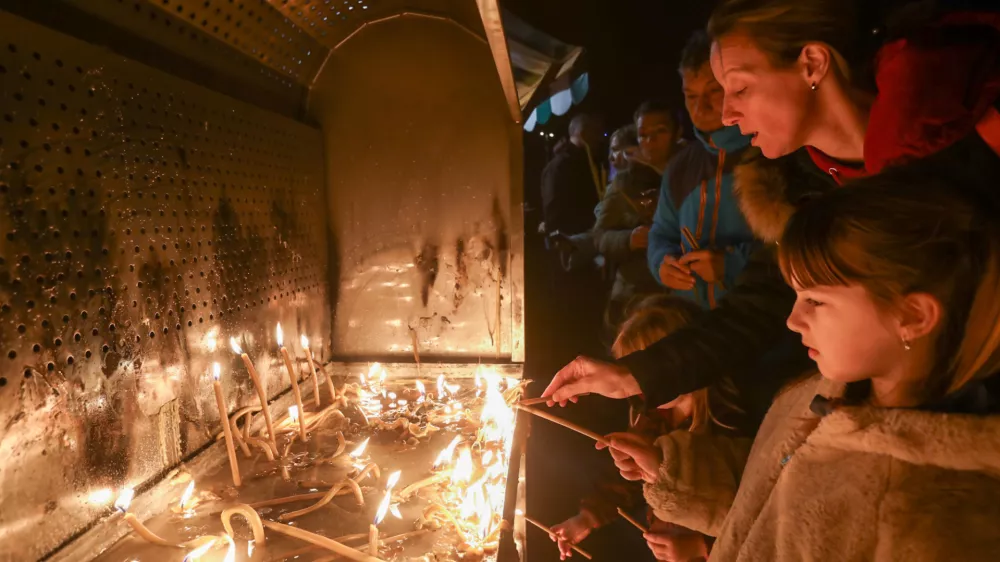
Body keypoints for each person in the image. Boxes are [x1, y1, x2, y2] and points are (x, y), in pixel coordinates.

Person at [540, 0, 1000, 413]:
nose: (726, 116)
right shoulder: (801, 189)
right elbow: (761, 303)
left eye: (739, 89)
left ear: (812, 64)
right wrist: (636, 374)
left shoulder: (963, 132)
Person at [607, 174, 1000, 560]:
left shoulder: (935, 519)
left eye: (815, 300)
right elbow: (771, 506)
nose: (792, 320)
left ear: (912, 314)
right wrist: (671, 470)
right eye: (795, 295)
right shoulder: (819, 395)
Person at [549, 295, 752, 561]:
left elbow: (751, 511)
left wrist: (701, 546)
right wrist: (587, 518)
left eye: (643, 373)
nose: (639, 388)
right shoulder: (651, 415)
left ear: (680, 363)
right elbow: (628, 480)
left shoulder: (730, 419)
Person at [647, 30, 758, 310]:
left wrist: (733, 262)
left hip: (765, 325)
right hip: (692, 321)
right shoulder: (681, 166)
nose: (700, 107)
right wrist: (661, 262)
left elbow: (801, 241)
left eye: (713, 92)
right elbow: (662, 231)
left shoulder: (769, 151)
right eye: (690, 95)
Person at [593, 122, 671, 331]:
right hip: (632, 292)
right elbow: (599, 236)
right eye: (612, 150)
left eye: (623, 150)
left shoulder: (672, 179)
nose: (615, 157)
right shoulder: (619, 187)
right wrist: (628, 239)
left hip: (673, 290)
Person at [541, 114, 608, 239]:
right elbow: (553, 210)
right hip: (574, 239)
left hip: (593, 234)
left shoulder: (592, 161)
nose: (600, 139)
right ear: (583, 133)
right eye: (596, 132)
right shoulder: (559, 166)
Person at [634, 100, 684, 175]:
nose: (650, 140)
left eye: (660, 131)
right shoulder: (634, 175)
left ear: (678, 133)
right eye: (643, 134)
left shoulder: (696, 166)